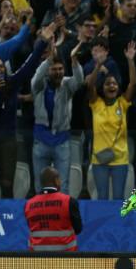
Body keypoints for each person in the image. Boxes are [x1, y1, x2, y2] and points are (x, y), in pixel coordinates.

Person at [0, 24, 54, 199]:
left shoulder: (13, 83)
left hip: (8, 141)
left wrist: (42, 42)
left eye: (1, 66)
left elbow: (29, 66)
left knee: (7, 186)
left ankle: (7, 220)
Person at [87, 40, 136, 200]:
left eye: (115, 84)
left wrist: (130, 60)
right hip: (99, 159)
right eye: (108, 83)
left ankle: (118, 226)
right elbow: (90, 85)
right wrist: (98, 65)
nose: (112, 86)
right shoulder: (96, 104)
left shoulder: (122, 103)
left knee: (118, 198)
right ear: (103, 88)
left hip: (120, 159)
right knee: (101, 197)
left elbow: (133, 83)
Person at [31, 43, 84, 194]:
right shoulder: (38, 86)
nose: (58, 72)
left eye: (60, 69)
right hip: (41, 140)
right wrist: (49, 60)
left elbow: (79, 80)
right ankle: (41, 216)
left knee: (63, 186)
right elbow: (36, 77)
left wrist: (74, 61)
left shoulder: (67, 84)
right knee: (40, 187)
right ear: (47, 71)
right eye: (54, 69)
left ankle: (61, 216)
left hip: (62, 141)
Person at [25, 167, 83, 251]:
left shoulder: (29, 204)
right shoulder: (69, 201)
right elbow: (78, 229)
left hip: (37, 258)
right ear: (56, 181)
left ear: (41, 183)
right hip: (66, 258)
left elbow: (32, 227)